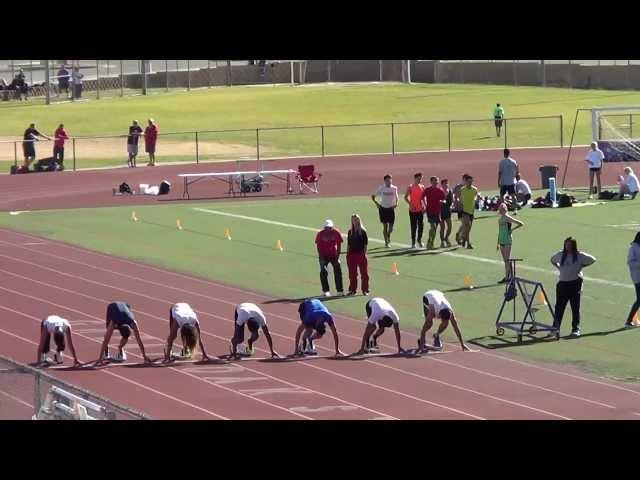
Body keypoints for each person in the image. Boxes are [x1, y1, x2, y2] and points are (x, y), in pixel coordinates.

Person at [549, 238, 596, 337]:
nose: (568, 247)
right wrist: (558, 267)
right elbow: (552, 260)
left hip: (575, 284)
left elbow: (592, 259)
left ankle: (575, 329)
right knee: (559, 308)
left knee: (575, 307)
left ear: (574, 246)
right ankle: (555, 328)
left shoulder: (579, 256)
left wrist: (582, 266)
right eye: (566, 244)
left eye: (570, 245)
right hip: (562, 284)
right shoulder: (560, 254)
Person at [315, 219, 344, 297]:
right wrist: (321, 259)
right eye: (327, 227)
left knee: (338, 270)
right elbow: (318, 246)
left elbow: (339, 245)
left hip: (334, 255)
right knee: (323, 272)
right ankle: (326, 291)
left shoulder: (336, 233)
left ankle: (340, 291)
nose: (329, 229)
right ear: (324, 228)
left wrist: (337, 258)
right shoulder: (320, 234)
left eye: (330, 227)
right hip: (324, 256)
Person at [496, 202, 524, 283]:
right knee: (506, 260)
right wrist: (497, 243)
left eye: (502, 208)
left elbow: (520, 223)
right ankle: (510, 276)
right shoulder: (500, 219)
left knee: (507, 260)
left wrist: (512, 230)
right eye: (500, 208)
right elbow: (500, 231)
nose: (501, 210)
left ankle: (507, 277)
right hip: (501, 240)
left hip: (507, 239)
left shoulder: (507, 218)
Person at [371, 174, 398, 247]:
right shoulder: (381, 188)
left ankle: (388, 235)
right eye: (387, 180)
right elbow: (373, 196)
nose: (389, 181)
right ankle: (386, 242)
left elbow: (396, 197)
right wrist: (377, 203)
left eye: (390, 180)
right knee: (385, 226)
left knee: (391, 228)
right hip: (383, 209)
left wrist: (396, 203)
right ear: (385, 181)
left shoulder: (394, 188)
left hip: (391, 209)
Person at [346, 214, 369, 296]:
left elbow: (365, 244)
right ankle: (352, 290)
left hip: (361, 254)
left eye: (356, 219)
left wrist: (364, 254)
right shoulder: (350, 232)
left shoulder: (363, 231)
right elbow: (348, 244)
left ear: (359, 220)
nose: (355, 221)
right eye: (353, 219)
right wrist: (347, 254)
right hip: (351, 255)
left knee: (364, 274)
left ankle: (365, 290)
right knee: (352, 274)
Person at [422, 176, 446, 250]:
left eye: (437, 181)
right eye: (435, 181)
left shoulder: (440, 190)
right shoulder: (427, 190)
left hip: (437, 212)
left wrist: (442, 201)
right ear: (431, 182)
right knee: (433, 227)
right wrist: (425, 205)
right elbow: (422, 197)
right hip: (430, 211)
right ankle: (430, 241)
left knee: (434, 229)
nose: (436, 182)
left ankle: (431, 242)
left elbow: (444, 199)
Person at [404, 172, 426, 249]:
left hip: (420, 210)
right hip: (412, 210)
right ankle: (413, 242)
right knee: (413, 226)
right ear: (415, 178)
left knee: (421, 226)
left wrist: (425, 206)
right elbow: (405, 197)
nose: (420, 180)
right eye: (419, 178)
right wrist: (411, 204)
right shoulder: (410, 187)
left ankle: (419, 240)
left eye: (421, 178)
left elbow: (423, 198)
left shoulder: (422, 186)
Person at [458, 174, 479, 249]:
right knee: (468, 226)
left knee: (468, 229)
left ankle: (463, 238)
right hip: (464, 211)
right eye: (468, 181)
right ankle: (468, 243)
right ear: (466, 181)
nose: (470, 183)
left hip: (471, 211)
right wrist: (460, 204)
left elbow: (476, 196)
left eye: (471, 181)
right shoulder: (462, 189)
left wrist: (476, 199)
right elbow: (459, 198)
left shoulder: (475, 189)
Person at [625, 233, 640, 329]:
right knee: (639, 300)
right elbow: (630, 262)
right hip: (638, 277)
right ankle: (629, 321)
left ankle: (631, 320)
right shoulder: (633, 248)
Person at [440, 178, 453, 248]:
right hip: (441, 211)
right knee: (442, 228)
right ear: (442, 184)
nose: (446, 185)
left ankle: (446, 238)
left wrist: (451, 206)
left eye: (447, 183)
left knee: (450, 227)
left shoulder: (450, 191)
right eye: (445, 183)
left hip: (447, 211)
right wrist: (441, 202)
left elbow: (452, 201)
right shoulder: (439, 191)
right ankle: (442, 241)